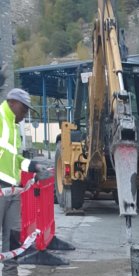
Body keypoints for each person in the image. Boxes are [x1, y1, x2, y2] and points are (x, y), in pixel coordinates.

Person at [0, 88, 47, 276]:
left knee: (12, 237)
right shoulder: (1, 118)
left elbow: (15, 159)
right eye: (24, 108)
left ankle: (10, 273)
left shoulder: (13, 126)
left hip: (13, 189)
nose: (25, 113)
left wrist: (34, 166)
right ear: (12, 103)